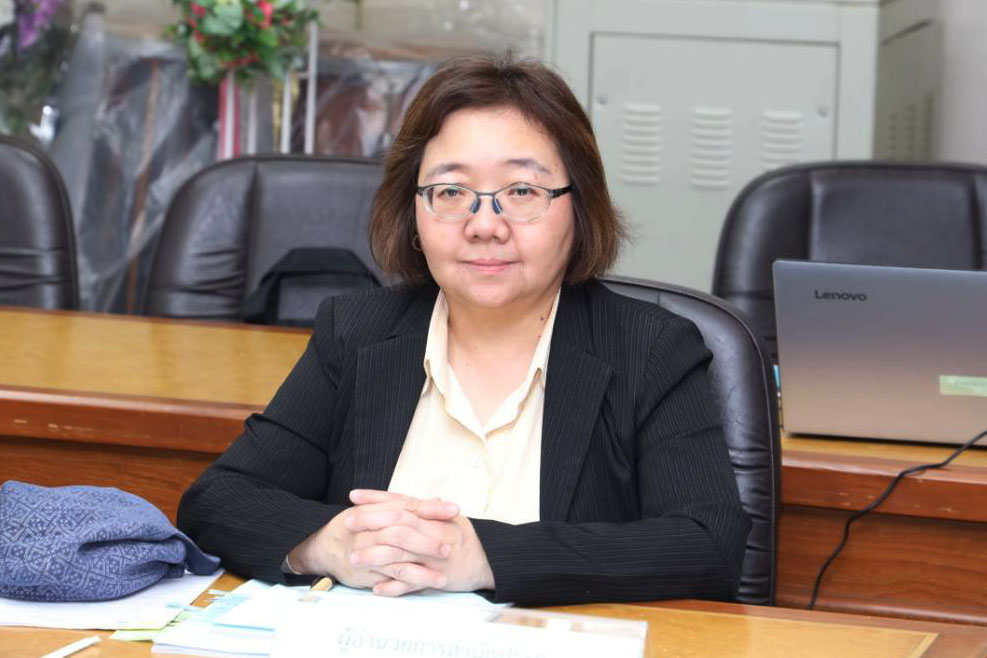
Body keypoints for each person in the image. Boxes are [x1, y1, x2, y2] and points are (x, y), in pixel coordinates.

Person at [177, 54, 750, 606]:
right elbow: (218, 501)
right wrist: (326, 544)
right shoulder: (356, 334)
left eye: (522, 192)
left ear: (580, 208)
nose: (484, 225)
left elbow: (707, 544)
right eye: (451, 192)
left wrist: (486, 555)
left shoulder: (650, 350)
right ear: (414, 213)